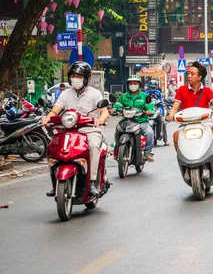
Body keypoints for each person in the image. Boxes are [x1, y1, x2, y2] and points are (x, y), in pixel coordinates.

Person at [42, 61, 109, 197]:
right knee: (53, 147)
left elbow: (105, 112)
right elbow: (55, 111)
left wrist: (100, 120)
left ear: (86, 78)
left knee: (94, 146)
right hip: (68, 130)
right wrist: (48, 118)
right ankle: (55, 183)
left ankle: (91, 182)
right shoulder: (65, 94)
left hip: (90, 130)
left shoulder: (95, 94)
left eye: (79, 77)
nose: (76, 79)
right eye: (74, 76)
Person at [166, 62, 213, 174]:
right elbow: (175, 108)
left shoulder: (207, 91)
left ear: (199, 77)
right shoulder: (181, 90)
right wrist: (171, 115)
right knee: (176, 135)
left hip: (205, 123)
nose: (189, 76)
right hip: (186, 124)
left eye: (192, 74)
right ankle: (184, 163)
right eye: (188, 73)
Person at [113, 75, 156, 162]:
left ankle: (147, 152)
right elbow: (117, 106)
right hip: (126, 121)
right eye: (131, 83)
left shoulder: (145, 96)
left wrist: (149, 111)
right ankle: (117, 150)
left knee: (150, 132)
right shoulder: (123, 97)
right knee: (118, 130)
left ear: (139, 85)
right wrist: (113, 110)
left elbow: (150, 107)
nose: (133, 85)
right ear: (128, 85)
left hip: (141, 121)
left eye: (135, 83)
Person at [145, 79, 168, 146]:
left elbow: (161, 99)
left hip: (158, 108)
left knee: (163, 122)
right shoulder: (146, 93)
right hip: (149, 109)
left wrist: (160, 101)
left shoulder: (158, 92)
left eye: (153, 86)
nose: (152, 87)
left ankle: (165, 140)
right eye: (151, 86)